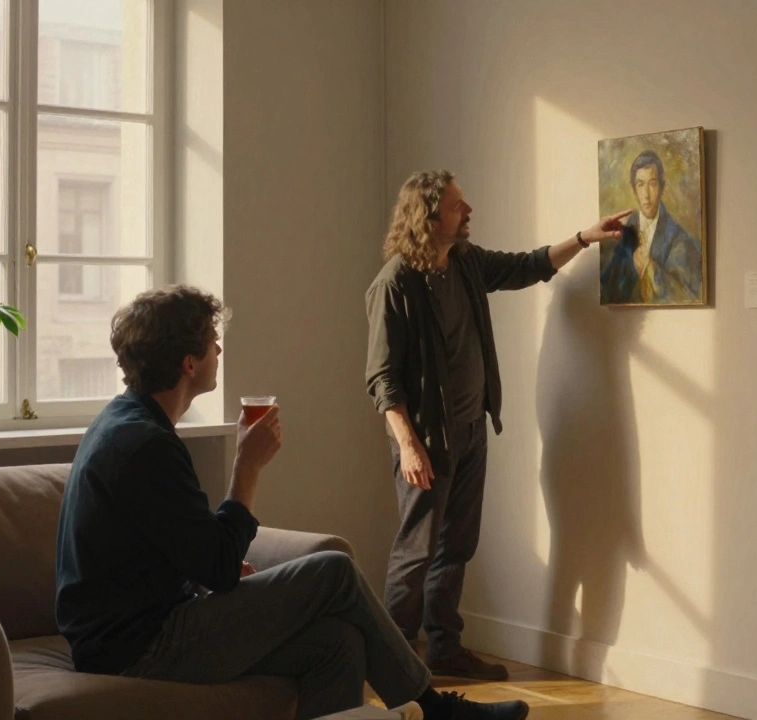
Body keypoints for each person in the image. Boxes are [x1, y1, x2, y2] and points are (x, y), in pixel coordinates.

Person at [55, 285, 531, 720]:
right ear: (188, 363)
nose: (219, 349)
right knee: (334, 570)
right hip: (137, 649)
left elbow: (173, 552)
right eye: (211, 340)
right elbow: (218, 568)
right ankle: (434, 708)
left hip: (140, 628)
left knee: (338, 644)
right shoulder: (144, 444)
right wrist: (247, 468)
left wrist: (214, 569)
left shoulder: (129, 424)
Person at [365, 171, 630, 680]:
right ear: (429, 216)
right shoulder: (395, 282)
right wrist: (410, 446)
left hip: (470, 431)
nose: (469, 212)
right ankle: (391, 663)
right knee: (416, 551)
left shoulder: (464, 263)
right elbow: (381, 379)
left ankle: (443, 649)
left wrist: (585, 237)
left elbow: (527, 266)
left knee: (456, 545)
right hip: (424, 440)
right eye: (458, 206)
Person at [599, 149, 703, 305]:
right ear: (634, 189)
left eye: (652, 184)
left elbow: (686, 296)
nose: (646, 194)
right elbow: (607, 292)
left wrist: (650, 268)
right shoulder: (624, 234)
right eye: (640, 185)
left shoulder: (678, 238)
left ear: (661, 187)